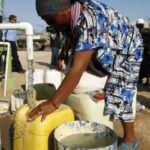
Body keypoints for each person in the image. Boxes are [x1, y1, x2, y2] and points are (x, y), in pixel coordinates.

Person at [28, 0, 143, 149]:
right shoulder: (72, 15)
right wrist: (63, 52)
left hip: (128, 47)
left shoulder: (90, 19)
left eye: (48, 18)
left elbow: (78, 69)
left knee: (119, 89)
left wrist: (53, 103)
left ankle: (130, 139)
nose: (47, 22)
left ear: (65, 10)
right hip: (108, 41)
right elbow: (73, 34)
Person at [137, 19, 150, 86]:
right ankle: (142, 79)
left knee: (144, 66)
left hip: (145, 53)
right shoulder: (145, 33)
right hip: (144, 52)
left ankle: (144, 80)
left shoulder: (144, 33)